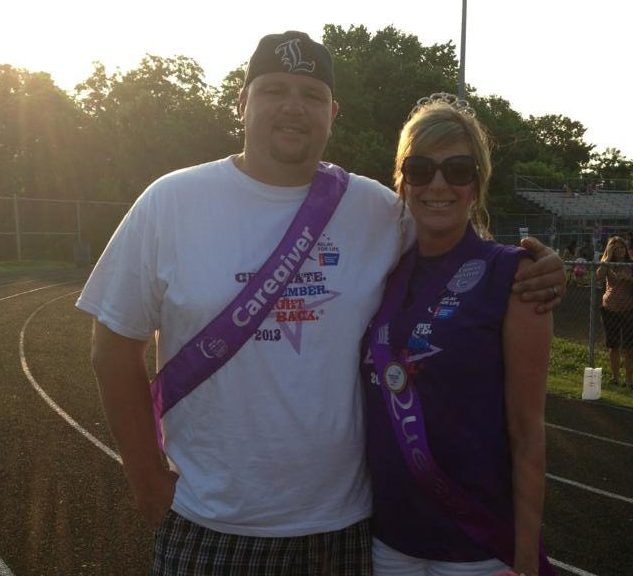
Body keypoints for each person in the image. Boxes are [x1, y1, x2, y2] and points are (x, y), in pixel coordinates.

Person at [75, 32, 565, 575]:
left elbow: (449, 239)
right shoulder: (170, 201)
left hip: (345, 531)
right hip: (212, 522)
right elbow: (113, 347)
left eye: (310, 95)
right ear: (242, 103)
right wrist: (145, 476)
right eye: (274, 90)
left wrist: (539, 265)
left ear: (332, 112)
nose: (293, 107)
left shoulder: (378, 211)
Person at [361, 95, 553, 576]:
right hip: (389, 541)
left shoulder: (514, 274)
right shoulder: (379, 272)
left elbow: (529, 433)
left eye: (459, 170)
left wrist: (526, 560)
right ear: (403, 181)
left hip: (478, 547)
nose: (439, 184)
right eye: (421, 169)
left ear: (477, 184)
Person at [596, 236, 633, 390]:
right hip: (609, 309)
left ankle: (629, 380)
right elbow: (598, 277)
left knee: (630, 347)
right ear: (610, 249)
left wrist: (629, 278)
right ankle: (615, 377)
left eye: (621, 248)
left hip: (628, 310)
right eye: (615, 248)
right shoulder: (607, 264)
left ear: (626, 249)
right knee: (613, 346)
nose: (619, 251)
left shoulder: (632, 264)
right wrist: (606, 261)